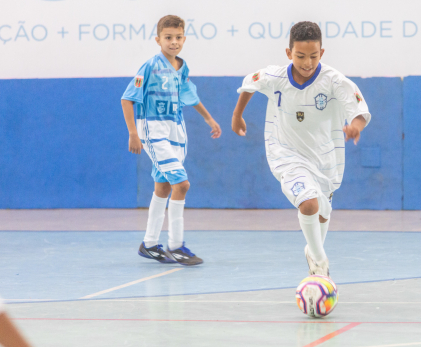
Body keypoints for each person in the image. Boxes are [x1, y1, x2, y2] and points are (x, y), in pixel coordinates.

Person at [231, 21, 371, 277]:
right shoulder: (275, 77)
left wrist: (355, 126)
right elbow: (250, 83)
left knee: (321, 214)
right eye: (300, 56)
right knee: (307, 203)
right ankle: (319, 261)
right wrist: (237, 115)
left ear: (322, 53)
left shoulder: (334, 81)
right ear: (288, 53)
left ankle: (313, 252)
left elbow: (359, 111)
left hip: (325, 161)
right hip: (285, 154)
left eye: (313, 56)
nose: (307, 63)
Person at [121, 15, 221, 266]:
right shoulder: (150, 66)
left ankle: (150, 243)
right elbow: (127, 98)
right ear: (158, 40)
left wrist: (209, 119)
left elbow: (190, 96)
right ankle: (177, 246)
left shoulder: (182, 67)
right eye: (168, 38)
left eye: (178, 38)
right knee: (182, 184)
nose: (173, 42)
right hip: (153, 130)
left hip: (177, 130)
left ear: (184, 39)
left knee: (163, 186)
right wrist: (134, 133)